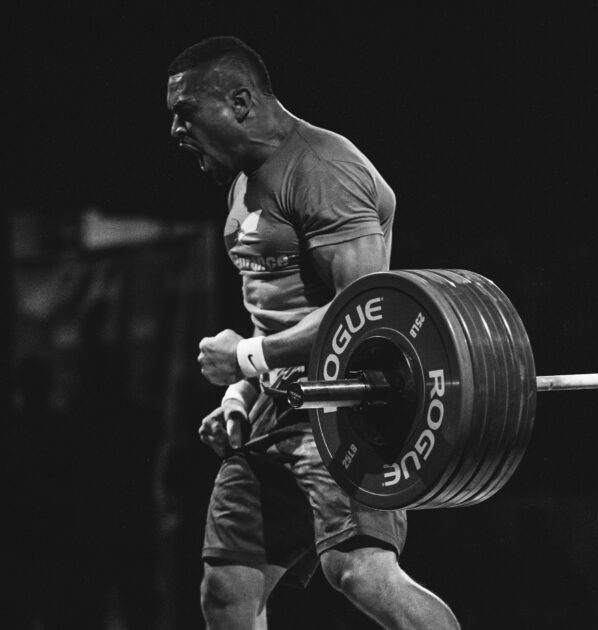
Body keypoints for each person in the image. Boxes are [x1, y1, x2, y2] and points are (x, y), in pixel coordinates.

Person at [167, 36, 460, 629]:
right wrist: (238, 396)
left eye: (185, 111)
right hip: (273, 413)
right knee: (227, 590)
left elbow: (367, 308)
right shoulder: (241, 186)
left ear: (240, 101)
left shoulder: (324, 168)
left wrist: (247, 359)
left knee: (360, 573)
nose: (175, 130)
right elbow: (270, 317)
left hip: (343, 405)